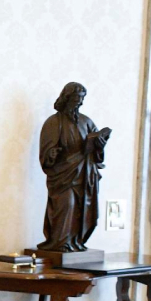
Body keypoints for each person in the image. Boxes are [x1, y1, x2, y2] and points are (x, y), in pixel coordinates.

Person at [36, 82, 111, 252]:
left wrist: (99, 144)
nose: (80, 102)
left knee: (82, 208)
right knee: (66, 205)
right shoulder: (54, 122)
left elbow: (97, 148)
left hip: (84, 174)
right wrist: (51, 154)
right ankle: (60, 242)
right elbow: (46, 151)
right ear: (67, 97)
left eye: (82, 99)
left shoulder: (86, 121)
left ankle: (76, 241)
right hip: (64, 174)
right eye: (77, 98)